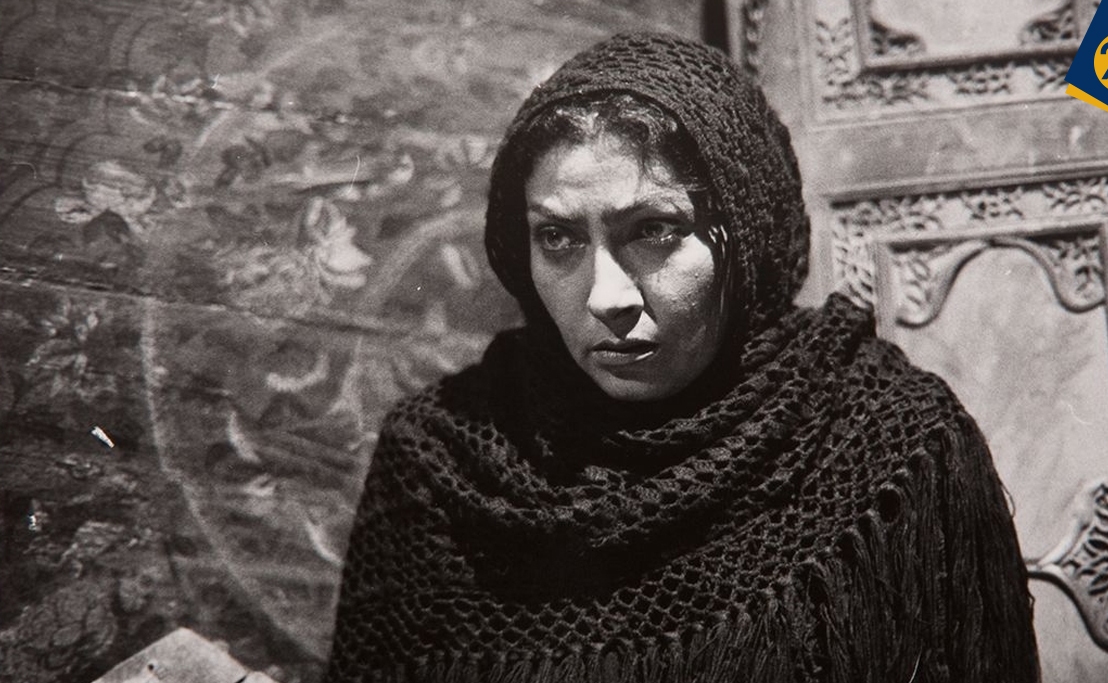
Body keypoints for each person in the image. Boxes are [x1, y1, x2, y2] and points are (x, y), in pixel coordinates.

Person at [323, 32, 1039, 683]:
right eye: (559, 239)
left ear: (749, 231)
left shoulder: (888, 446)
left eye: (654, 230)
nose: (607, 296)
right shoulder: (443, 463)